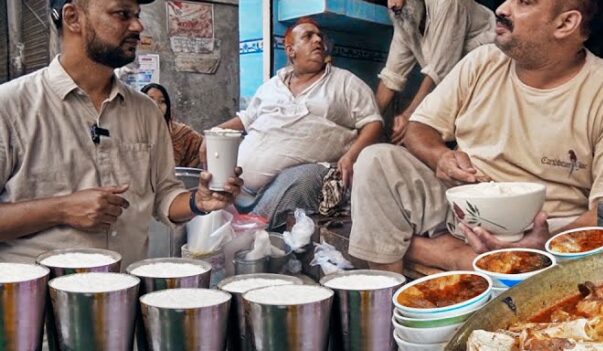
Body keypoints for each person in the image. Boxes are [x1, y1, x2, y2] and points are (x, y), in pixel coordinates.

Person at [0, 0, 242, 351]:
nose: (137, 25)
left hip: (127, 338)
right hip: (39, 350)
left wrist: (198, 201)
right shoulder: (12, 106)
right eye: (121, 14)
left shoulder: (145, 112)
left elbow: (165, 197)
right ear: (73, 17)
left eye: (137, 14)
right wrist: (62, 209)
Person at [349, 0, 603, 274]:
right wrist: (441, 156)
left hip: (551, 227)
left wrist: (543, 247)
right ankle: (409, 282)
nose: (502, 9)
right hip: (463, 211)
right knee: (377, 159)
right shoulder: (482, 62)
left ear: (566, 23)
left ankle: (437, 254)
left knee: (588, 252)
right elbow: (420, 128)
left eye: (524, 2)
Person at [210, 18, 382, 227]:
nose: (317, 40)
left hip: (300, 176)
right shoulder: (271, 86)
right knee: (211, 180)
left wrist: (350, 156)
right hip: (241, 183)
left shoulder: (345, 82)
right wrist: (213, 133)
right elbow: (247, 119)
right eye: (308, 36)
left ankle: (252, 232)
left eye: (319, 36)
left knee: (301, 179)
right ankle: (228, 227)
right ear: (290, 50)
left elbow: (373, 122)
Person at [377, 0, 495, 144]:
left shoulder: (448, 3)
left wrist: (409, 115)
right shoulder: (406, 18)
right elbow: (392, 76)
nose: (392, 5)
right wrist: (371, 121)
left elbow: (439, 71)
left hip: (491, 83)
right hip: (458, 89)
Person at [142, 83, 204, 168]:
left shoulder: (179, 133)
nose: (156, 106)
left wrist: (188, 168)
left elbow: (205, 145)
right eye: (150, 101)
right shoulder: (132, 131)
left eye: (162, 101)